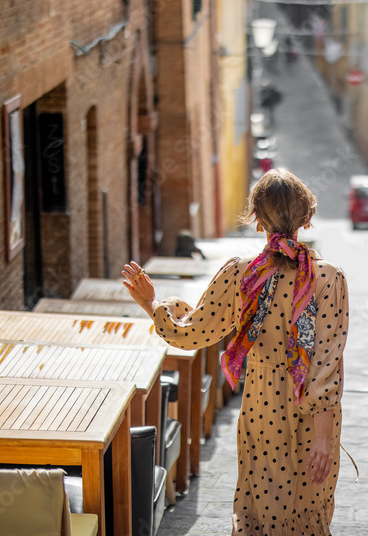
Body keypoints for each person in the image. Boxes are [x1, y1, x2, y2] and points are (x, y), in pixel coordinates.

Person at [122, 169, 349, 534]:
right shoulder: (329, 278)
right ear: (307, 218)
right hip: (315, 418)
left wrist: (152, 305)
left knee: (259, 511)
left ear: (257, 220)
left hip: (263, 411)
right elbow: (327, 362)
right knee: (310, 516)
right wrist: (323, 436)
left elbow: (192, 333)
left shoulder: (241, 275)